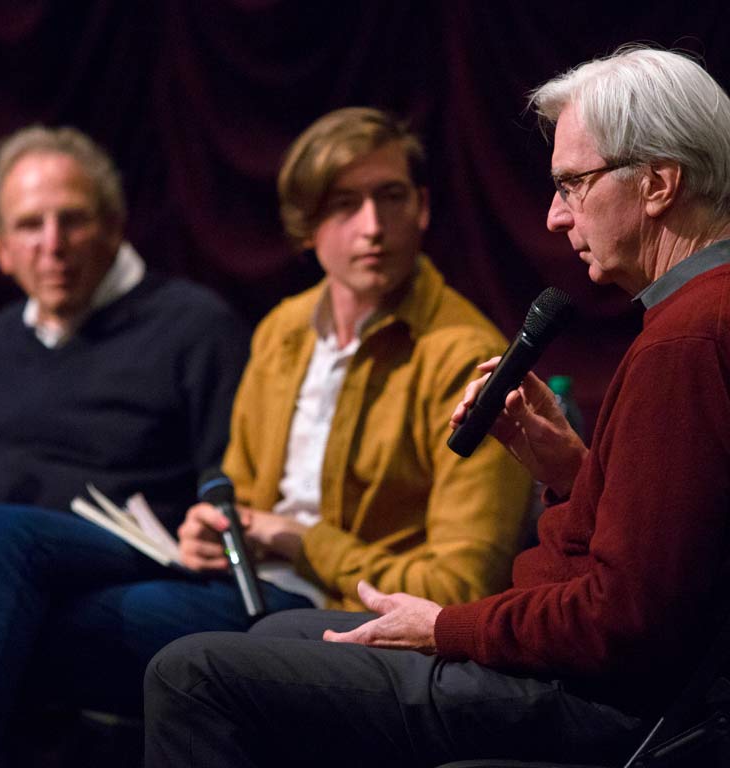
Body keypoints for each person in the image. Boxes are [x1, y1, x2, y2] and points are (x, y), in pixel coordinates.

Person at [143, 46, 730, 767]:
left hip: (604, 706)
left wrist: (447, 627)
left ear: (659, 185)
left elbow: (625, 620)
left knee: (191, 674)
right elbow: (678, 544)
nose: (553, 217)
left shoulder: (688, 338)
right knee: (267, 640)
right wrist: (576, 473)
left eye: (573, 185)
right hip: (598, 682)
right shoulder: (693, 319)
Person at [0, 110, 531, 764]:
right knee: (6, 613)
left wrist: (301, 541)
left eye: (391, 198)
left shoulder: (466, 358)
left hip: (335, 607)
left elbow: (456, 589)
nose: (372, 228)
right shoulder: (284, 331)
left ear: (423, 209)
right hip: (243, 587)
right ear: (307, 226)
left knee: (15, 611)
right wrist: (213, 527)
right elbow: (238, 491)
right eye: (344, 205)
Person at [0, 125, 250, 765]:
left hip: (138, 549)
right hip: (7, 569)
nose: (53, 245)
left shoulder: (192, 324)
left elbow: (232, 477)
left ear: (115, 224)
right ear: (0, 249)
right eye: (30, 226)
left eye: (73, 220)